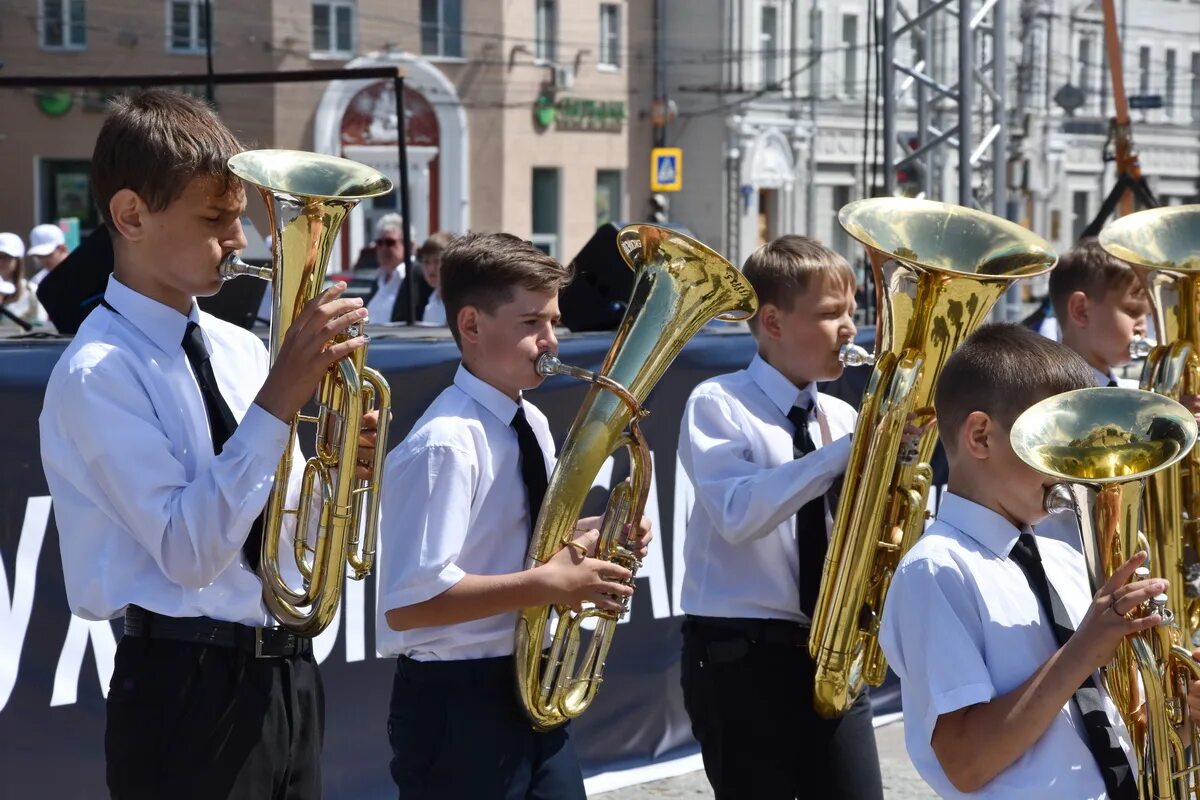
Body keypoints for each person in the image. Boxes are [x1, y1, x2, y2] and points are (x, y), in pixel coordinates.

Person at [38, 88, 375, 799]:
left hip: (286, 674)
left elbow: (279, 544)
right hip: (181, 689)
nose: (241, 240)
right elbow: (191, 552)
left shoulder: (237, 347)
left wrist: (338, 474)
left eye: (240, 217)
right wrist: (282, 396)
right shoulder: (100, 370)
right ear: (131, 216)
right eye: (216, 218)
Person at [378, 231, 652, 799]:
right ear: (472, 326)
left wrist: (600, 537)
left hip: (527, 682)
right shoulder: (447, 443)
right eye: (532, 324)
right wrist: (547, 585)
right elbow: (408, 603)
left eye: (552, 321)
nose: (550, 341)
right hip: (458, 703)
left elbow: (521, 539)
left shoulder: (531, 423)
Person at [878, 322, 1200, 798]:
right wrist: (1084, 649)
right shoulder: (937, 570)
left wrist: (1181, 717)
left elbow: (1106, 730)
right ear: (982, 436)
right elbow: (966, 763)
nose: (1070, 466)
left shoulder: (1064, 559)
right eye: (1052, 441)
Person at [677, 234, 883, 799]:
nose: (849, 329)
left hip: (832, 651)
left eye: (852, 312)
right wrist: (845, 454)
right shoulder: (719, 403)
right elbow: (738, 514)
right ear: (772, 321)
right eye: (829, 314)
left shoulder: (841, 415)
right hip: (742, 661)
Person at [1049, 238, 1148, 389]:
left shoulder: (1137, 392)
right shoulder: (1044, 397)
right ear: (1081, 311)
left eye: (1146, 315)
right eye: (1132, 311)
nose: (1143, 328)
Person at [363, 213, 432, 323]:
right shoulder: (380, 278)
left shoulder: (420, 275)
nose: (384, 248)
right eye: (379, 243)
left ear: (410, 245)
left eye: (390, 242)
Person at [0, 231, 48, 328]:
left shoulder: (33, 292)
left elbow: (41, 329)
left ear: (18, 260)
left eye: (6, 256)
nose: (1, 261)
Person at [415, 230, 454, 326]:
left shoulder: (458, 303)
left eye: (437, 261)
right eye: (426, 262)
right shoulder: (432, 301)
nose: (431, 269)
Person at [28, 222, 70, 287]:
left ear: (62, 248)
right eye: (39, 256)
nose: (44, 260)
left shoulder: (85, 272)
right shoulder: (37, 281)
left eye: (48, 254)